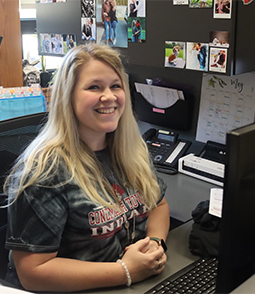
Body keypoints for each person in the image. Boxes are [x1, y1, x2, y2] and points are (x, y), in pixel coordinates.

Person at [4, 44, 170, 292]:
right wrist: (126, 271)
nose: (109, 97)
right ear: (68, 96)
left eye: (115, 85)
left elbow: (158, 204)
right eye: (94, 87)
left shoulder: (130, 150)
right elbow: (33, 272)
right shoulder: (44, 171)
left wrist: (155, 244)